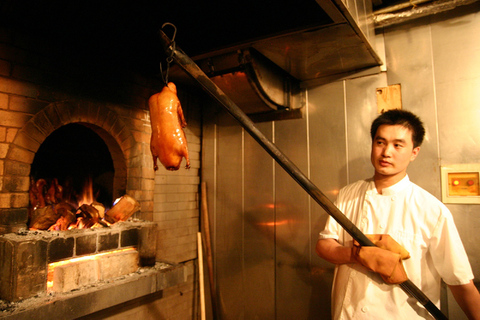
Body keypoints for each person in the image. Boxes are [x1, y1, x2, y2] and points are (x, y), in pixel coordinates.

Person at [315, 109, 480, 319]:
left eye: (397, 145)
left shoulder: (432, 210)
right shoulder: (349, 193)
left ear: (414, 152)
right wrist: (357, 255)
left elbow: (460, 283)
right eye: (380, 142)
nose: (386, 152)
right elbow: (324, 244)